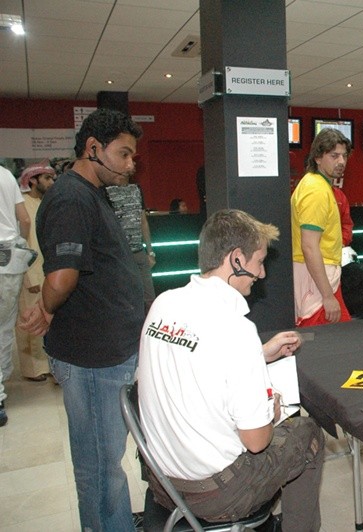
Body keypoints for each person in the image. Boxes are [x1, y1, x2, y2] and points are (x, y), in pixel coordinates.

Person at [138, 209, 324, 529]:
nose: (262, 274)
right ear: (237, 259)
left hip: (162, 482)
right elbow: (256, 442)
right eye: (259, 261)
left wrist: (259, 355)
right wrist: (270, 411)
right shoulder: (235, 328)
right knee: (307, 432)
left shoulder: (163, 304)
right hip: (213, 495)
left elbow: (198, 359)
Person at [18, 108, 145, 531]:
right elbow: (62, 276)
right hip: (92, 359)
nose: (131, 164)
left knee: (108, 460)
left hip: (109, 353)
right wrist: (46, 309)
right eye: (123, 154)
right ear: (92, 148)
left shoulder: (92, 194)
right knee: (99, 465)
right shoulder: (71, 198)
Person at [291, 128, 352, 326]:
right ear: (318, 158)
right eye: (334, 156)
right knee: (321, 337)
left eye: (344, 156)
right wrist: (327, 295)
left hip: (321, 274)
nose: (341, 161)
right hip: (317, 277)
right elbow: (309, 246)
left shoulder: (319, 185)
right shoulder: (316, 190)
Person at [16, 162, 56, 382]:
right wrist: (29, 277)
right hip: (29, 271)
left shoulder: (44, 203)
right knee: (30, 319)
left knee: (47, 319)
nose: (51, 182)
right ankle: (33, 369)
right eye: (47, 178)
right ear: (32, 180)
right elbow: (23, 245)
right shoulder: (21, 205)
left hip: (48, 270)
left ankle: (48, 365)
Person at [0, 164, 32, 426]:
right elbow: (25, 219)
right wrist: (22, 246)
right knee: (3, 329)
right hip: (7, 261)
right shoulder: (5, 175)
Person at [106, 177, 157, 311]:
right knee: (125, 300)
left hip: (139, 251)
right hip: (119, 254)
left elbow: (143, 221)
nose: (130, 167)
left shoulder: (136, 189)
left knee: (149, 299)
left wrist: (150, 252)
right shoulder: (106, 190)